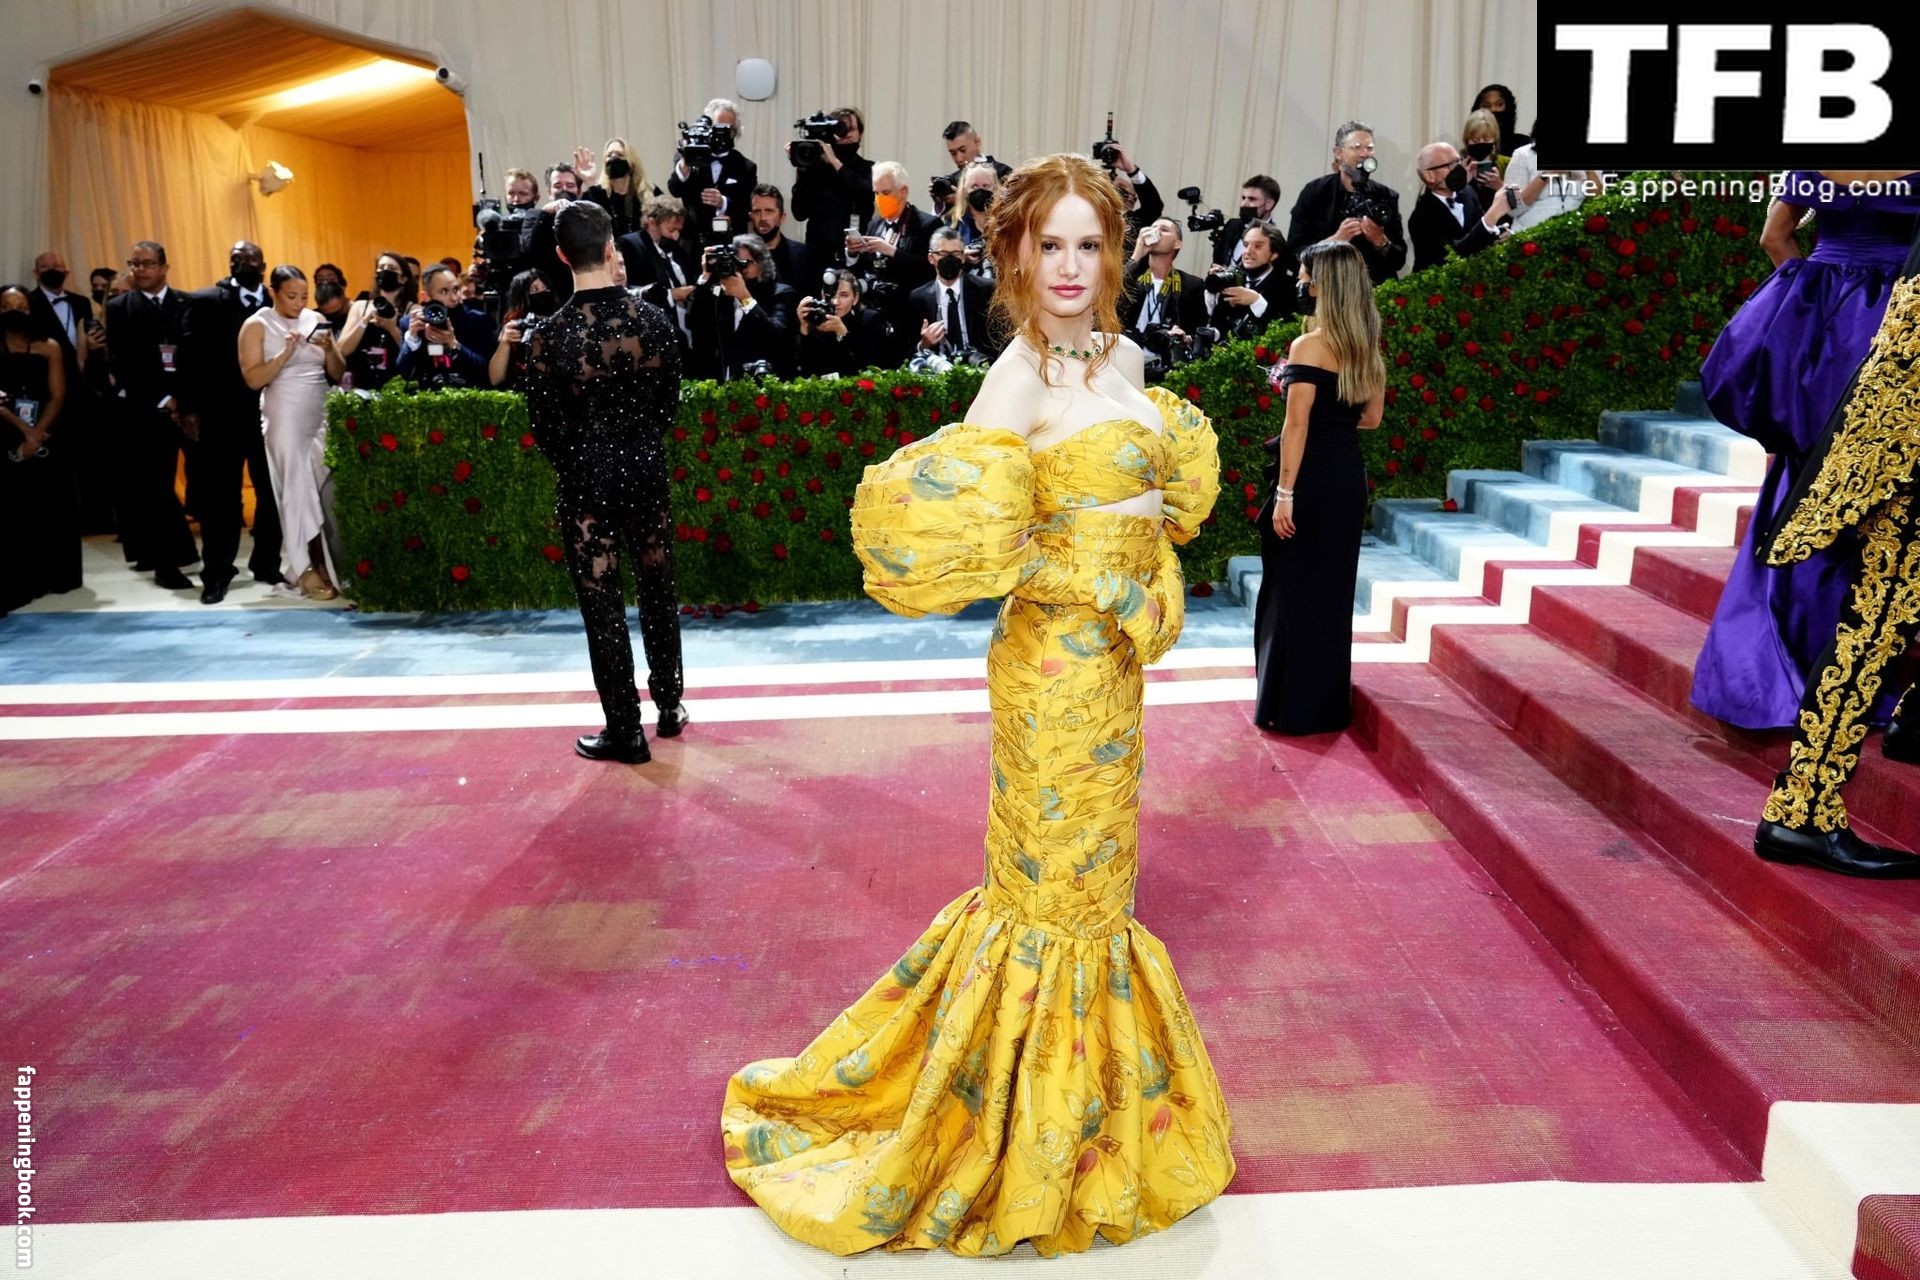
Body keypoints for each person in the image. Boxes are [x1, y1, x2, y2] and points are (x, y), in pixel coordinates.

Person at [724, 152, 1234, 1257]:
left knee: (1099, 888)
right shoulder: (1015, 380)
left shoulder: (1129, 360)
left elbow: (1150, 511)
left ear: (1115, 253)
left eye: (1088, 243)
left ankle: (1085, 1124)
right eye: (1049, 244)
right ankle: (1015, 1136)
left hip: (1117, 680)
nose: (1070, 265)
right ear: (1015, 254)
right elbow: (982, 546)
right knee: (1048, 896)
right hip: (1051, 672)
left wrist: (1148, 583)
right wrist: (1098, 586)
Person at [1692, 170, 1920, 730]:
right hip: (1895, 318)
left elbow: (1774, 237)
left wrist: (1816, 291)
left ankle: (1780, 659)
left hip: (1824, 315)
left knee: (1806, 477)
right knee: (1884, 490)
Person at [1752, 218, 1920, 878]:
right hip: (1905, 445)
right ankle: (1801, 813)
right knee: (1875, 624)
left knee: (1879, 620)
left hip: (1895, 423)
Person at [523, 200, 688, 762]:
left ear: (562, 255)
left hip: (585, 480)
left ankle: (626, 731)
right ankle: (669, 708)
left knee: (603, 607)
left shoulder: (547, 336)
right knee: (658, 591)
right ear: (611, 247)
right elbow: (667, 407)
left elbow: (545, 428)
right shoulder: (656, 321)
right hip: (644, 470)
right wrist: (636, 442)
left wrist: (583, 458)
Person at [1253, 241, 1386, 734]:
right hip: (1346, 479)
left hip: (1308, 481)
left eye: (1305, 273)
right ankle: (1324, 706)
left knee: (1291, 588)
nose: (1299, 280)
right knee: (1331, 592)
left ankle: (1288, 708)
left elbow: (1297, 427)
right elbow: (1370, 419)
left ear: (1322, 283)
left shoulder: (1308, 346)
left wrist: (1285, 495)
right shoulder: (1366, 346)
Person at [177, 240, 286, 602]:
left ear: (263, 265)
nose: (243, 264)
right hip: (220, 415)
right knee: (221, 498)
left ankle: (267, 563)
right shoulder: (204, 300)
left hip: (270, 412)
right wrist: (188, 409)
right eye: (236, 259)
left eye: (250, 259)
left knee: (271, 493)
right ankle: (217, 573)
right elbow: (188, 358)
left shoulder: (278, 301)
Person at [239, 266, 344, 602]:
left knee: (322, 488)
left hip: (320, 410)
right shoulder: (256, 325)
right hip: (284, 413)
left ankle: (324, 561)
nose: (299, 303)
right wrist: (284, 353)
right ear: (274, 292)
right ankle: (305, 567)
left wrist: (330, 349)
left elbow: (337, 371)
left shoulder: (315, 319)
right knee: (296, 489)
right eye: (291, 296)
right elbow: (254, 379)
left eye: (304, 296)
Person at [105, 239, 198, 589]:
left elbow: (195, 356)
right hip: (146, 410)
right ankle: (164, 565)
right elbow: (121, 362)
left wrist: (182, 400)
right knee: (156, 488)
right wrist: (164, 399)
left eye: (147, 263)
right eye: (135, 263)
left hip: (188, 409)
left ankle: (194, 555)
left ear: (164, 267)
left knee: (199, 484)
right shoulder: (119, 307)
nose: (140, 270)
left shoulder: (187, 303)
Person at [0, 284, 80, 612]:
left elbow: (57, 395)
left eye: (21, 306)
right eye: (6, 307)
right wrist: (24, 431)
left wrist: (37, 433)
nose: (14, 313)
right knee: (12, 510)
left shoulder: (49, 346)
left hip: (46, 431)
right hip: (6, 432)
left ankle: (54, 574)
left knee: (48, 504)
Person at [1286, 121, 1408, 286]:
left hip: (1373, 290)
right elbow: (1293, 253)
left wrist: (1380, 241)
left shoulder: (1386, 196)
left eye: (1369, 148)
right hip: (1327, 289)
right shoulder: (1315, 192)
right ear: (1339, 153)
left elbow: (1399, 260)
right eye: (1357, 147)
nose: (1364, 154)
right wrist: (1334, 241)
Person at [685, 233, 798, 380]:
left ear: (761, 264)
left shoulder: (781, 293)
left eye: (745, 262)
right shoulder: (721, 293)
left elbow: (776, 335)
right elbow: (693, 322)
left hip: (762, 380)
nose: (740, 268)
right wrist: (706, 276)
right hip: (723, 380)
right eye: (735, 262)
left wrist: (745, 298)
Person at [788, 106, 874, 280]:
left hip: (854, 256)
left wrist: (834, 161)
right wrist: (802, 168)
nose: (846, 134)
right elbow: (799, 212)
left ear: (860, 133)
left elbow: (865, 194)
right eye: (841, 129)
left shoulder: (868, 168)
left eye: (851, 129)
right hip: (817, 258)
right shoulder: (816, 170)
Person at [1408, 143, 1513, 273]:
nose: (1459, 168)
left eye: (1459, 161)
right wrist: (1491, 216)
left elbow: (1479, 231)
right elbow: (1452, 257)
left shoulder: (1468, 193)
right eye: (1451, 165)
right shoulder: (1421, 216)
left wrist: (1498, 234)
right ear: (1430, 176)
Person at [668, 99, 759, 246]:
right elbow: (676, 190)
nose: (721, 134)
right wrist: (686, 158)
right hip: (693, 243)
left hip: (730, 242)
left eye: (728, 129)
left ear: (735, 132)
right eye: (718, 128)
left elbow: (748, 207)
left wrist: (723, 203)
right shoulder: (690, 158)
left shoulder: (745, 166)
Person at [395, 264, 496, 387]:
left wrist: (454, 345)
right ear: (426, 297)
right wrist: (412, 340)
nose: (454, 298)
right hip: (427, 395)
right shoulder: (411, 323)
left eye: (456, 289)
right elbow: (405, 374)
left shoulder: (477, 320)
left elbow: (485, 372)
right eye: (444, 291)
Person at [909, 226, 1000, 358]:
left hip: (981, 364)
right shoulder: (918, 298)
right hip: (938, 366)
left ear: (963, 257)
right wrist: (924, 344)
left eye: (955, 253)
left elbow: (1000, 339)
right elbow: (906, 349)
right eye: (943, 254)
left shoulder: (987, 290)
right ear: (931, 258)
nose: (949, 259)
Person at [336, 250, 413, 390]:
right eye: (381, 267)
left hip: (398, 386)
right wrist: (364, 321)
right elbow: (342, 350)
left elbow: (413, 353)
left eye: (392, 269)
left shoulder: (412, 310)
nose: (385, 271)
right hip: (362, 386)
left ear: (403, 278)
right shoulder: (361, 306)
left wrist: (392, 329)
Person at [1506, 120, 1601, 232]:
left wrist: (1588, 169)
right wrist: (1547, 175)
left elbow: (1598, 201)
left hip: (1574, 232)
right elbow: (1513, 209)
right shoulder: (1523, 155)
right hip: (1530, 233)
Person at [1206, 220, 1295, 337]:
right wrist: (1211, 293)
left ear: (1274, 254)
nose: (1247, 252)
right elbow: (1217, 326)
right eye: (1245, 245)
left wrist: (1257, 301)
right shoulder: (1231, 280)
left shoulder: (1289, 288)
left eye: (1257, 246)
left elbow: (1284, 333)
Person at [1123, 217, 1209, 335]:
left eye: (1164, 230)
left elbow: (1198, 329)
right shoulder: (1133, 277)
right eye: (1153, 228)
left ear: (1177, 244)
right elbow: (1109, 291)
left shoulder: (1191, 285)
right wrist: (1137, 255)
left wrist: (1185, 337)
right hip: (1128, 344)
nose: (1156, 232)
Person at [795, 269, 888, 376]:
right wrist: (804, 329)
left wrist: (842, 333)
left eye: (844, 295)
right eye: (832, 295)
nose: (836, 302)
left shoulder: (870, 319)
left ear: (855, 298)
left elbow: (869, 368)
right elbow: (806, 371)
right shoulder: (816, 318)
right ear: (823, 295)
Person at [575, 137, 661, 241]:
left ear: (631, 162)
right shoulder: (595, 194)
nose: (613, 158)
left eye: (619, 155)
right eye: (609, 155)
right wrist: (590, 181)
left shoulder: (651, 192)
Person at [488, 269, 556, 388]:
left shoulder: (560, 323)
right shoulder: (514, 327)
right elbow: (495, 379)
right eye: (534, 290)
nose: (542, 293)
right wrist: (505, 343)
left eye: (545, 288)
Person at [745, 183, 809, 287]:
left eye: (769, 211)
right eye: (757, 212)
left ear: (782, 217)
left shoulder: (804, 256)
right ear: (750, 217)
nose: (762, 218)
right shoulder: (740, 257)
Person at [1213, 175, 1282, 268]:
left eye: (1252, 199)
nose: (1244, 204)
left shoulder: (1275, 240)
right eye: (1243, 198)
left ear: (1269, 204)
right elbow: (1219, 259)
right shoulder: (1232, 225)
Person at [1470, 83, 1531, 164]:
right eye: (1486, 106)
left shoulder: (1524, 145)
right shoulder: (1474, 146)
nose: (1493, 109)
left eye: (1499, 105)